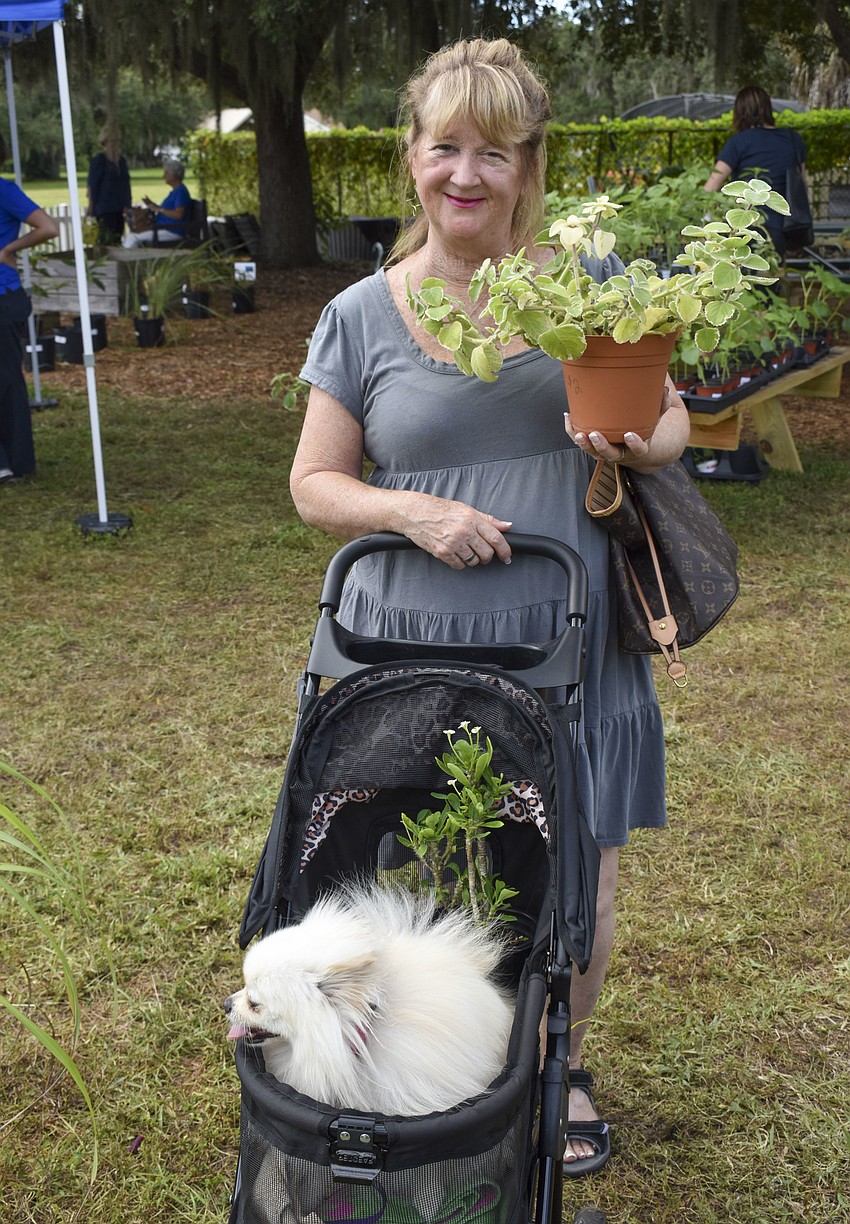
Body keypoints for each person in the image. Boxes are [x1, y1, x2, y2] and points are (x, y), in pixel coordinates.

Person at [289, 37, 690, 1175]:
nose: (467, 174)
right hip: (403, 649)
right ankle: (431, 1065)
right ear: (410, 159)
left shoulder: (589, 286)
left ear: (529, 165)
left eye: (494, 152)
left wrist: (625, 437)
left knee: (573, 873)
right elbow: (314, 484)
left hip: (563, 640)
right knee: (404, 869)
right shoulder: (363, 313)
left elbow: (668, 428)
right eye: (444, 146)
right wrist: (412, 512)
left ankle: (553, 1068)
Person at [0, 133, 59, 484]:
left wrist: (8, 249)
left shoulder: (4, 190)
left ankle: (14, 463)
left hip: (3, 298)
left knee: (7, 380)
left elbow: (48, 227)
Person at [704, 85, 808, 256]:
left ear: (739, 112)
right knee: (770, 279)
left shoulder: (738, 142)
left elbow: (711, 186)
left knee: (743, 278)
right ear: (768, 108)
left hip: (746, 227)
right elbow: (801, 183)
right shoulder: (793, 140)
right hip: (784, 227)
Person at [122, 158, 190, 249]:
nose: (163, 176)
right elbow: (168, 210)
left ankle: (125, 261)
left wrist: (159, 209)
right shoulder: (176, 191)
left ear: (174, 175)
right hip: (163, 229)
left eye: (166, 173)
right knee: (132, 235)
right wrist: (153, 205)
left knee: (132, 237)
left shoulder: (181, 192)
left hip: (172, 231)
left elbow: (178, 214)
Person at [86, 126, 132, 244]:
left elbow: (126, 184)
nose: (114, 145)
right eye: (111, 142)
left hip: (120, 208)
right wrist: (91, 208)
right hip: (104, 208)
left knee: (118, 238)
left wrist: (128, 204)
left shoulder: (121, 161)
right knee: (106, 239)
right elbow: (92, 185)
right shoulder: (99, 161)